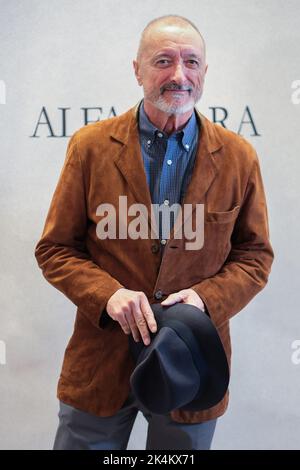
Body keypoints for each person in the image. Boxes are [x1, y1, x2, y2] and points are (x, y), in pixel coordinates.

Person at [35, 15, 274, 450]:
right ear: (137, 70)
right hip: (101, 362)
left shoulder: (239, 156)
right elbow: (56, 249)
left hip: (192, 362)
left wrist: (205, 299)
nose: (179, 75)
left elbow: (255, 257)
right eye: (163, 60)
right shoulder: (90, 147)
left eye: (191, 62)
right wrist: (107, 295)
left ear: (204, 72)